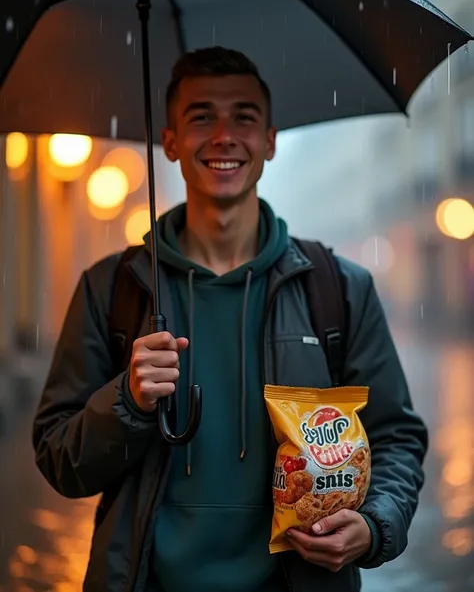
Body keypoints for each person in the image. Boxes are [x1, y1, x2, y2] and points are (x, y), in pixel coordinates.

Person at [32, 46, 428, 592]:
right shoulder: (112, 288)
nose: (223, 135)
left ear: (269, 140)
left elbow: (396, 436)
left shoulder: (338, 288)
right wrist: (127, 400)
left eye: (244, 116)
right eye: (201, 117)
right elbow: (59, 459)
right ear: (169, 142)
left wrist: (373, 524)